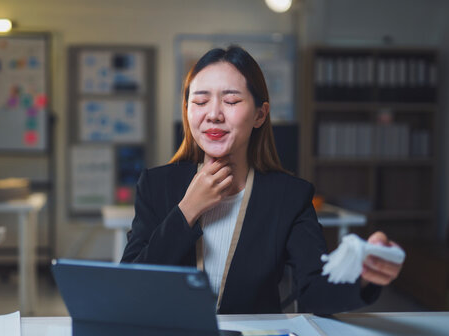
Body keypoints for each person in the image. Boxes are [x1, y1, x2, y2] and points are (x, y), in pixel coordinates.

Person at [121, 45, 402, 314]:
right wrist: (188, 210)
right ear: (187, 111)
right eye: (200, 101)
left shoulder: (289, 196)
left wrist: (364, 275)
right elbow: (130, 286)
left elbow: (313, 289)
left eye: (231, 101)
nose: (214, 114)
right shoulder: (156, 186)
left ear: (260, 114)